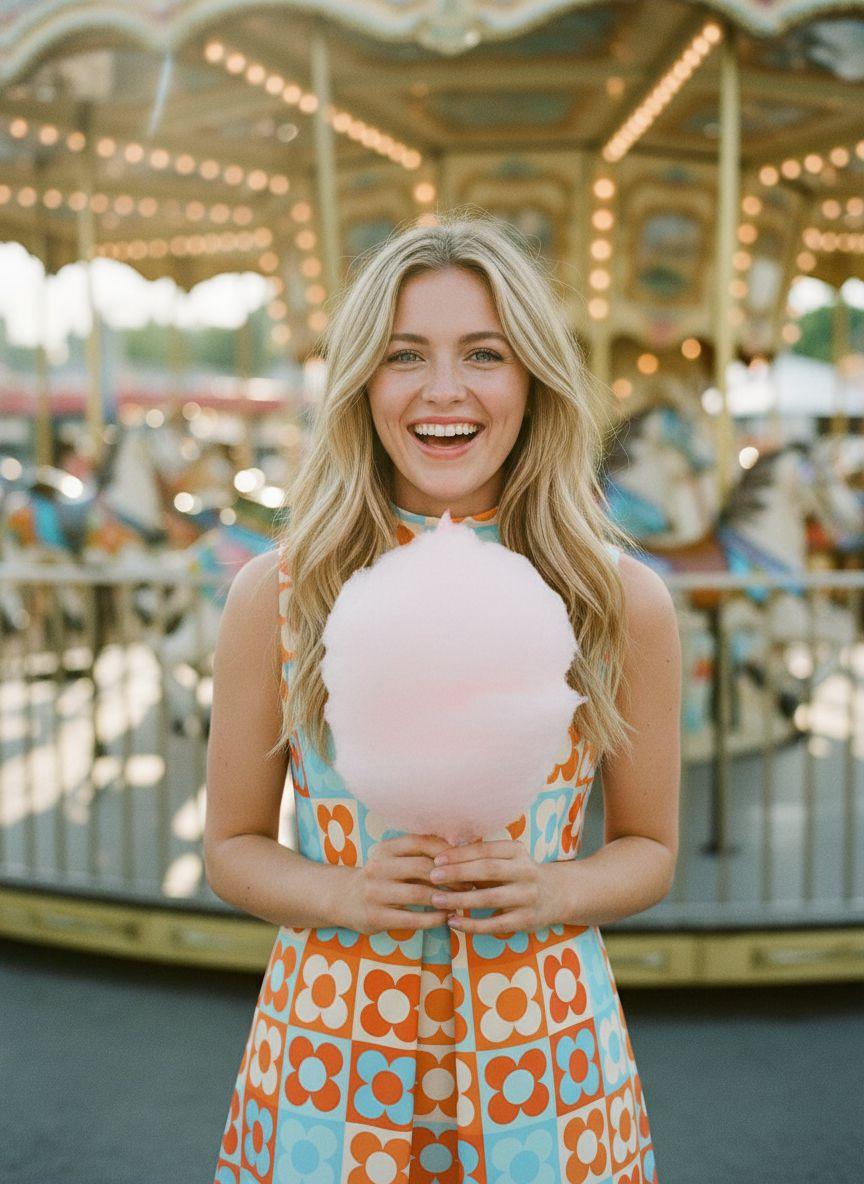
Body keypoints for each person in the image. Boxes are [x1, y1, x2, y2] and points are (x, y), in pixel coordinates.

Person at [205, 214, 681, 1184]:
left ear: (532, 380)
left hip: (542, 1049)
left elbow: (651, 848)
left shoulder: (618, 599)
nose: (444, 388)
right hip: (334, 1048)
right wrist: (340, 890)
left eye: (484, 354)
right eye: (403, 355)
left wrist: (559, 885)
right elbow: (231, 845)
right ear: (361, 383)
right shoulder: (281, 595)